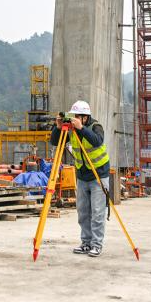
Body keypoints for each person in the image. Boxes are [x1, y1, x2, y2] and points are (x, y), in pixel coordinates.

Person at [50, 100, 110, 257]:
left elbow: (97, 141)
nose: (74, 119)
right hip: (82, 176)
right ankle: (86, 243)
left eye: (77, 116)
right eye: (73, 116)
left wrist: (81, 128)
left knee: (97, 212)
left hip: (98, 175)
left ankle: (96, 245)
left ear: (85, 117)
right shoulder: (72, 129)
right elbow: (55, 142)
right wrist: (58, 127)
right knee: (83, 212)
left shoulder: (95, 126)